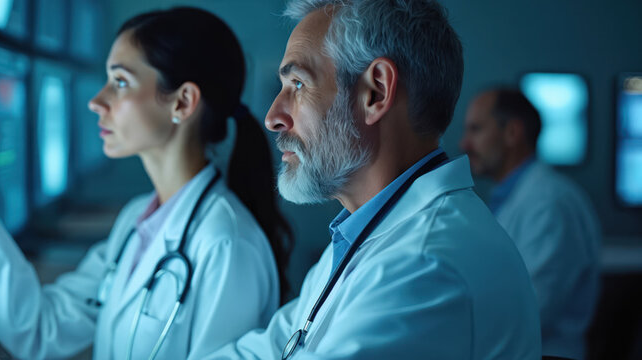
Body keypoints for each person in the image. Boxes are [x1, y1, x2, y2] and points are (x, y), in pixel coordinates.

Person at [0, 7, 293, 360]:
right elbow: (41, 328)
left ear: (182, 102)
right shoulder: (136, 222)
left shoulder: (228, 244)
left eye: (120, 82)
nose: (97, 101)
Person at [205, 0, 541, 358]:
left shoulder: (426, 266)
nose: (273, 117)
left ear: (375, 93)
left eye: (299, 84)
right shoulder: (364, 234)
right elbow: (265, 350)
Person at [460, 88, 601, 360]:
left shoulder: (550, 203)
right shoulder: (513, 197)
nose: (464, 144)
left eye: (475, 130)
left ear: (512, 133)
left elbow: (531, 309)